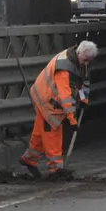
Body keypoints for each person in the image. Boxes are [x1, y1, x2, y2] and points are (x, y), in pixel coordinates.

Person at [20, 40, 97, 180]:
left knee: (40, 131)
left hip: (45, 96)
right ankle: (56, 169)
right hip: (46, 100)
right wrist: (72, 120)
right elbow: (65, 97)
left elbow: (83, 82)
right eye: (85, 60)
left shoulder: (80, 62)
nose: (86, 63)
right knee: (52, 132)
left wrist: (84, 99)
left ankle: (29, 159)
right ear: (79, 52)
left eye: (89, 61)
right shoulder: (64, 69)